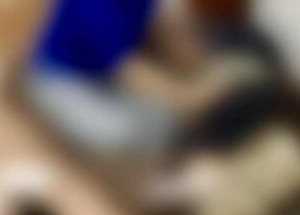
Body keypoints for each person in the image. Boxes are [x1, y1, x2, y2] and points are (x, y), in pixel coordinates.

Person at [24, 0, 273, 157]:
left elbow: (161, 31)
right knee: (120, 133)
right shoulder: (95, 6)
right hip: (60, 82)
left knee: (164, 125)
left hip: (106, 80)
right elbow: (131, 71)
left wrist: (207, 68)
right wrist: (195, 94)